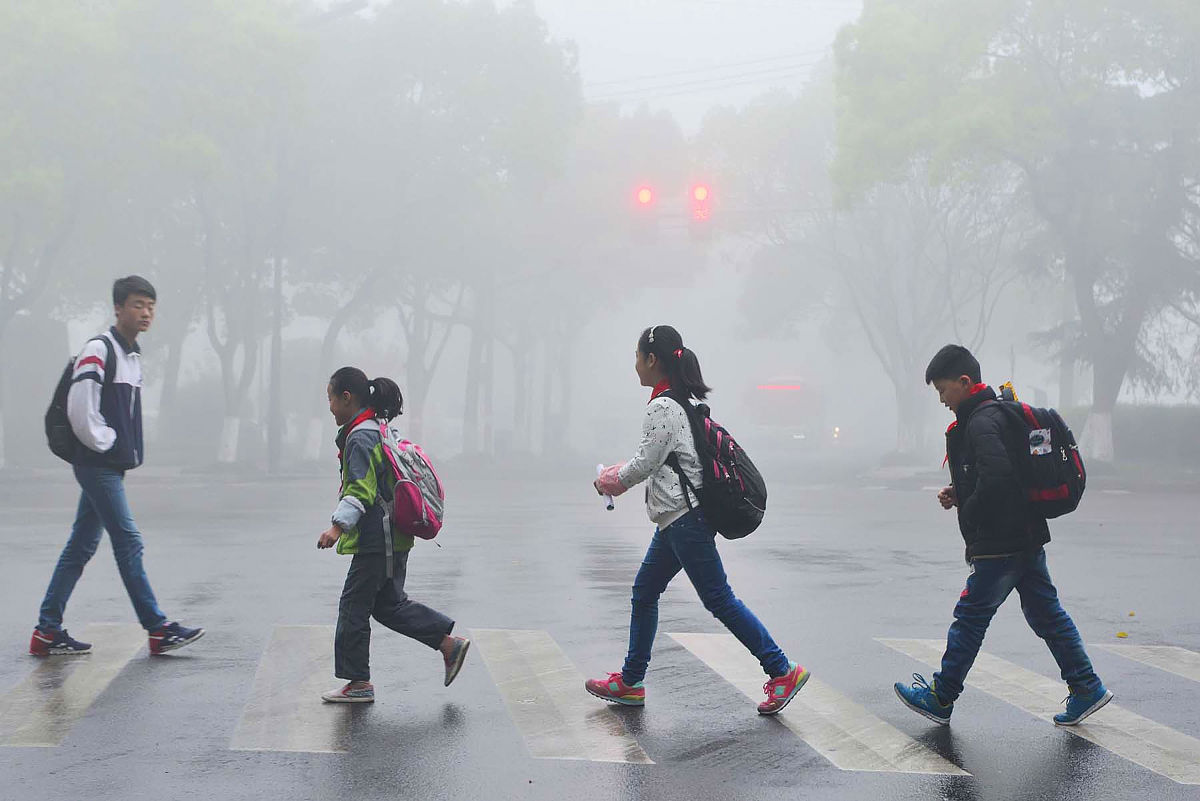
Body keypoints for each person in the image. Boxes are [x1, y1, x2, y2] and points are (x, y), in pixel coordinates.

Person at [587, 325, 808, 715]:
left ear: (652, 360)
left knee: (718, 600)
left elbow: (646, 463)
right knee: (644, 592)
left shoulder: (663, 407)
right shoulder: (677, 403)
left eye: (638, 357)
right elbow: (656, 460)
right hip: (676, 521)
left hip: (685, 521)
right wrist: (622, 476)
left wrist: (610, 480)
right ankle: (631, 681)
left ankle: (781, 669)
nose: (635, 364)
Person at [894, 344, 1112, 726]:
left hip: (1001, 541)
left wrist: (972, 511)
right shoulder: (993, 415)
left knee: (970, 616)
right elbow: (996, 472)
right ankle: (1086, 685)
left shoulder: (980, 421)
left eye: (944, 390)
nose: (942, 400)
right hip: (1024, 536)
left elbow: (997, 478)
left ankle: (941, 696)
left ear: (964, 382)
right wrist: (960, 493)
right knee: (1047, 614)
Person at [31, 276, 204, 657]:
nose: (146, 313)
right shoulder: (99, 349)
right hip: (97, 463)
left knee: (81, 546)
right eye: (139, 304)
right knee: (129, 542)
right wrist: (107, 445)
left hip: (107, 463)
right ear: (118, 308)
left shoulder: (130, 356)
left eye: (151, 307)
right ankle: (157, 628)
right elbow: (80, 408)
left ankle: (47, 630)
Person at [317, 367, 469, 703]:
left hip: (378, 537)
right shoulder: (376, 428)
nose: (328, 406)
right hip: (392, 536)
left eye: (330, 398)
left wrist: (336, 527)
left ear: (346, 397)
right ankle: (449, 645)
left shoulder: (361, 436)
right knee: (388, 605)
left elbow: (360, 490)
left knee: (353, 606)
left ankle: (358, 684)